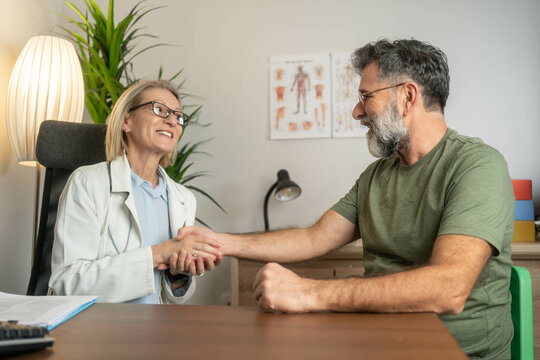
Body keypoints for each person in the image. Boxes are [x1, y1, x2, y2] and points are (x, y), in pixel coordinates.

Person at [176, 39, 515, 359]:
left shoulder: (477, 165)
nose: (357, 111)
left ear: (408, 97)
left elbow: (449, 287)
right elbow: (313, 237)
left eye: (366, 96)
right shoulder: (376, 176)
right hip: (376, 342)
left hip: (456, 351)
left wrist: (309, 293)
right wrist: (221, 242)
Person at [49, 80, 221, 304]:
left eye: (178, 116)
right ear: (126, 121)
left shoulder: (183, 199)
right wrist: (159, 253)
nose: (171, 120)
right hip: (100, 331)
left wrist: (178, 275)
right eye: (159, 109)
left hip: (158, 331)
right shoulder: (87, 183)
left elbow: (170, 298)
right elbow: (67, 284)